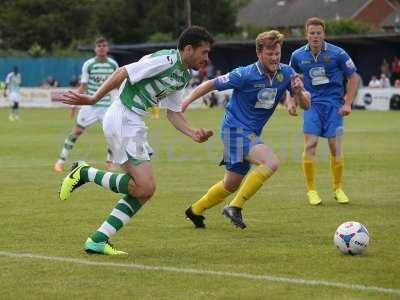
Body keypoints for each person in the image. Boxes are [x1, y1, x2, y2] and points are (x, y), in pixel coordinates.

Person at [58, 26, 214, 255]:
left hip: (134, 122)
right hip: (123, 117)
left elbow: (173, 112)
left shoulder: (182, 75)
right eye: (204, 52)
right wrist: (93, 99)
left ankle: (99, 239)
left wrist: (192, 133)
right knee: (144, 187)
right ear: (188, 49)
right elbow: (122, 72)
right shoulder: (166, 60)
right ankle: (84, 173)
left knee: (144, 190)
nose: (206, 58)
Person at [182, 30, 310, 229]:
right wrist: (186, 101)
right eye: (270, 54)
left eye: (277, 53)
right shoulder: (245, 74)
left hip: (250, 133)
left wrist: (298, 93)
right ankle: (235, 207)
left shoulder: (287, 73)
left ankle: (195, 210)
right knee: (271, 162)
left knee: (230, 184)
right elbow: (211, 84)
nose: (275, 58)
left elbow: (306, 105)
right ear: (259, 53)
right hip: (234, 129)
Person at [289, 17, 359, 205]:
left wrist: (347, 103)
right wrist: (291, 101)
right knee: (310, 145)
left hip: (334, 106)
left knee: (335, 147)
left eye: (318, 33)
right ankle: (312, 191)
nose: (315, 36)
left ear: (324, 34)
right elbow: (291, 79)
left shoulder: (338, 53)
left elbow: (353, 78)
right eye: (312, 33)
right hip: (311, 105)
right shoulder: (297, 56)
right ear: (307, 34)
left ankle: (338, 188)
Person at [54, 37, 119, 172]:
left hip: (106, 106)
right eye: (99, 46)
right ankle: (60, 161)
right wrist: (74, 104)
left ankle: (109, 162)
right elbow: (83, 87)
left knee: (112, 133)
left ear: (107, 48)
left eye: (104, 45)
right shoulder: (88, 65)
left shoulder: (113, 65)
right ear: (95, 49)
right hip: (89, 105)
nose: (101, 48)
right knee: (76, 131)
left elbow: (117, 85)